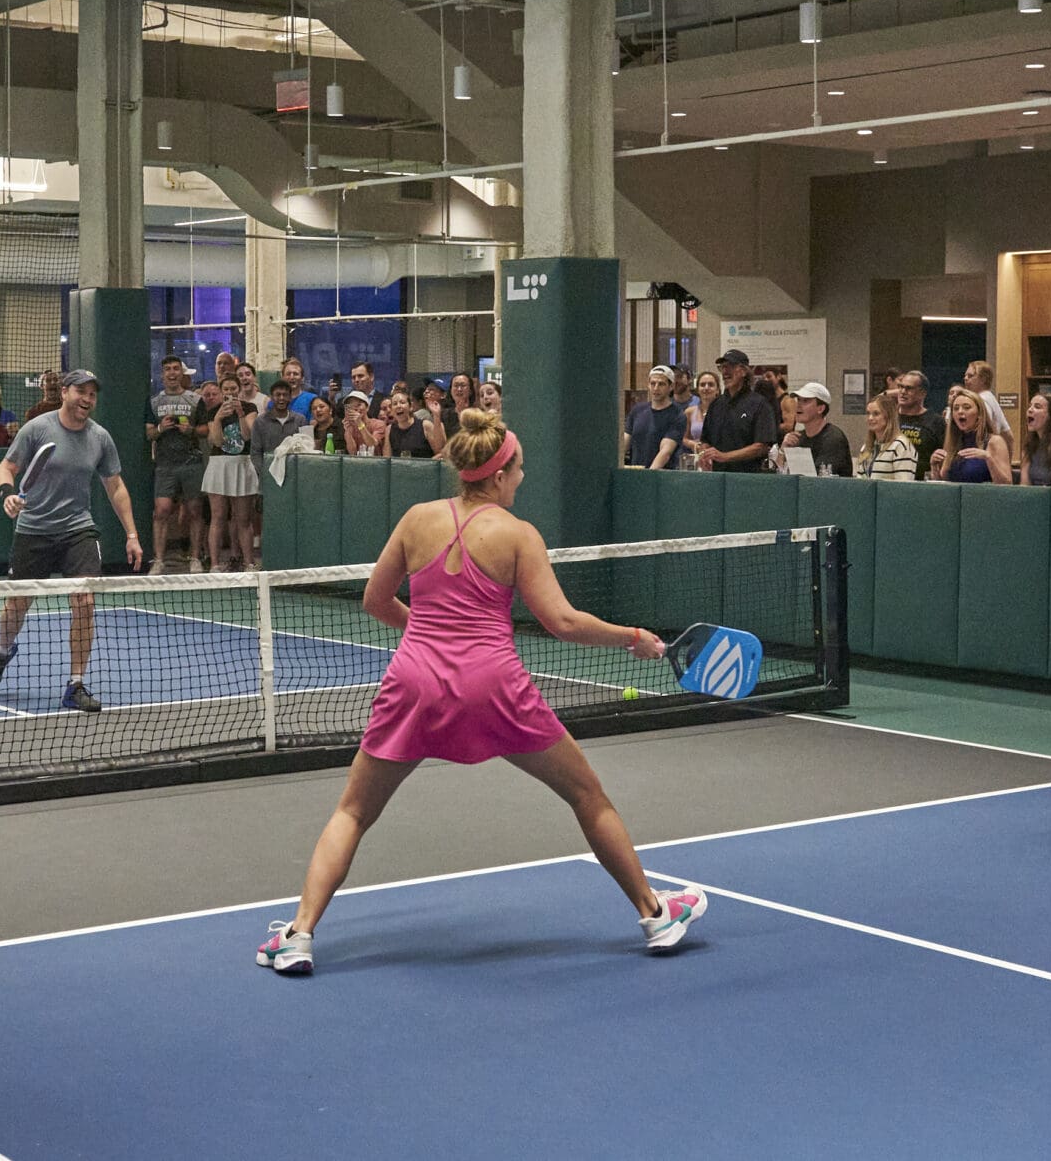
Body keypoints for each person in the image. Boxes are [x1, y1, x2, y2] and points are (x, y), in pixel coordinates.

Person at [254, 409, 707, 977]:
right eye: (518, 470)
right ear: (497, 475)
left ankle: (298, 935)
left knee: (353, 811)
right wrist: (633, 637)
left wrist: (427, 634)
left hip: (413, 681)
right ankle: (655, 915)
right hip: (494, 686)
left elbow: (375, 601)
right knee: (588, 796)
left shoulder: (416, 519)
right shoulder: (518, 535)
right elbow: (563, 622)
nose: (522, 478)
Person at [0, 370, 145, 714]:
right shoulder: (36, 428)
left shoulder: (100, 437)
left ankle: (75, 684)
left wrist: (132, 535)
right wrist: (7, 494)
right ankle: (2, 653)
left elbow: (115, 487)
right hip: (33, 529)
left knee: (84, 601)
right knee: (17, 604)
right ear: (65, 392)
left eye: (92, 394)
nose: (87, 399)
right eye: (81, 392)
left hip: (77, 529)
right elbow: (4, 469)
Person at [145, 356, 209, 574]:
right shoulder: (154, 402)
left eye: (175, 369)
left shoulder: (195, 400)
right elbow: (149, 433)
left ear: (182, 373)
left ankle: (195, 558)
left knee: (195, 510)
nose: (172, 373)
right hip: (165, 465)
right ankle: (158, 560)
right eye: (167, 369)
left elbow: (205, 430)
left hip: (192, 463)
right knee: (161, 511)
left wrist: (190, 430)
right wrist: (161, 428)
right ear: (162, 374)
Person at [199, 379, 258, 571]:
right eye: (226, 389)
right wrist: (217, 419)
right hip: (219, 464)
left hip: (242, 463)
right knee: (218, 516)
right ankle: (215, 564)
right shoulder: (213, 411)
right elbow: (217, 441)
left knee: (243, 518)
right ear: (221, 391)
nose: (230, 392)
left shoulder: (250, 408)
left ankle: (249, 563)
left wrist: (240, 414)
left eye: (233, 388)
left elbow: (247, 436)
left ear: (239, 390)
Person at [696, 349, 777, 473]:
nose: (725, 372)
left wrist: (725, 457)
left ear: (743, 371)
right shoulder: (716, 405)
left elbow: (761, 447)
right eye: (722, 367)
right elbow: (705, 440)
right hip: (718, 476)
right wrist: (704, 455)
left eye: (730, 367)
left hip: (747, 477)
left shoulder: (760, 404)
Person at [931, 388, 1013, 483]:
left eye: (966, 407)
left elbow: (1007, 484)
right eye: (956, 408)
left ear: (979, 414)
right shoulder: (953, 443)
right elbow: (944, 482)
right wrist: (934, 467)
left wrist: (988, 459)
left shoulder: (994, 441)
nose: (960, 411)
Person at [785, 382, 855, 477]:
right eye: (799, 400)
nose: (798, 405)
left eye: (805, 401)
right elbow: (782, 473)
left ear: (820, 409)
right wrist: (783, 450)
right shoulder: (797, 438)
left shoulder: (833, 439)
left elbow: (819, 478)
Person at [624, 365, 684, 469]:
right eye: (653, 383)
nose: (656, 388)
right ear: (648, 385)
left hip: (660, 475)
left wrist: (649, 475)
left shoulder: (677, 415)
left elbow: (665, 452)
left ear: (671, 386)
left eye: (661, 384)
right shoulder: (637, 410)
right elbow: (624, 443)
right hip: (636, 472)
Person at [855, 395, 921, 481]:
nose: (870, 418)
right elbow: (859, 479)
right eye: (868, 413)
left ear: (888, 416)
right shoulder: (866, 447)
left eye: (876, 414)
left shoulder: (901, 446)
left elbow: (903, 484)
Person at [889, 371, 944, 470]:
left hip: (921, 476)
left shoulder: (936, 421)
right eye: (901, 387)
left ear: (922, 393)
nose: (903, 392)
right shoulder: (889, 418)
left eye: (909, 388)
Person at [963, 360, 1013, 438]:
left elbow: (982, 430)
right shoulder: (991, 398)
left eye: (970, 376)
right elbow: (1009, 434)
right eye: (965, 375)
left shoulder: (982, 400)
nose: (965, 378)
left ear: (983, 379)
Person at [681, 367, 720, 468]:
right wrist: (694, 445)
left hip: (719, 459)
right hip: (697, 460)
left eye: (711, 385)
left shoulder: (725, 412)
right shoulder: (689, 412)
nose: (706, 388)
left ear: (717, 390)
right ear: (698, 389)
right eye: (702, 385)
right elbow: (684, 438)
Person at [382, 390, 437, 459]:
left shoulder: (426, 426)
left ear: (410, 407)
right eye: (395, 404)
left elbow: (440, 453)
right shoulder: (389, 429)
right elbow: (386, 458)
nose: (398, 406)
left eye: (402, 402)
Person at [339, 391, 386, 458]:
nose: (355, 408)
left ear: (367, 407)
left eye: (359, 405)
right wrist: (348, 431)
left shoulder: (378, 424)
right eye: (351, 406)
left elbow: (372, 445)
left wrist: (360, 423)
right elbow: (353, 453)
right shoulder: (350, 427)